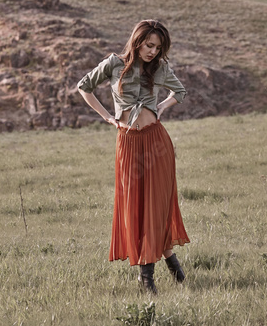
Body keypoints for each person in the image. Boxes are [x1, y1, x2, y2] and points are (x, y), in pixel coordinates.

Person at [77, 19, 190, 294]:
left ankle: (146, 278)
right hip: (127, 142)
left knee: (156, 205)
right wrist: (108, 117)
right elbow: (84, 86)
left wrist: (160, 107)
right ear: (137, 41)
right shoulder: (114, 64)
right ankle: (169, 258)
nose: (153, 51)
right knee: (135, 206)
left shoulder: (160, 68)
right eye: (149, 45)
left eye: (158, 47)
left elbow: (181, 92)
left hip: (156, 142)